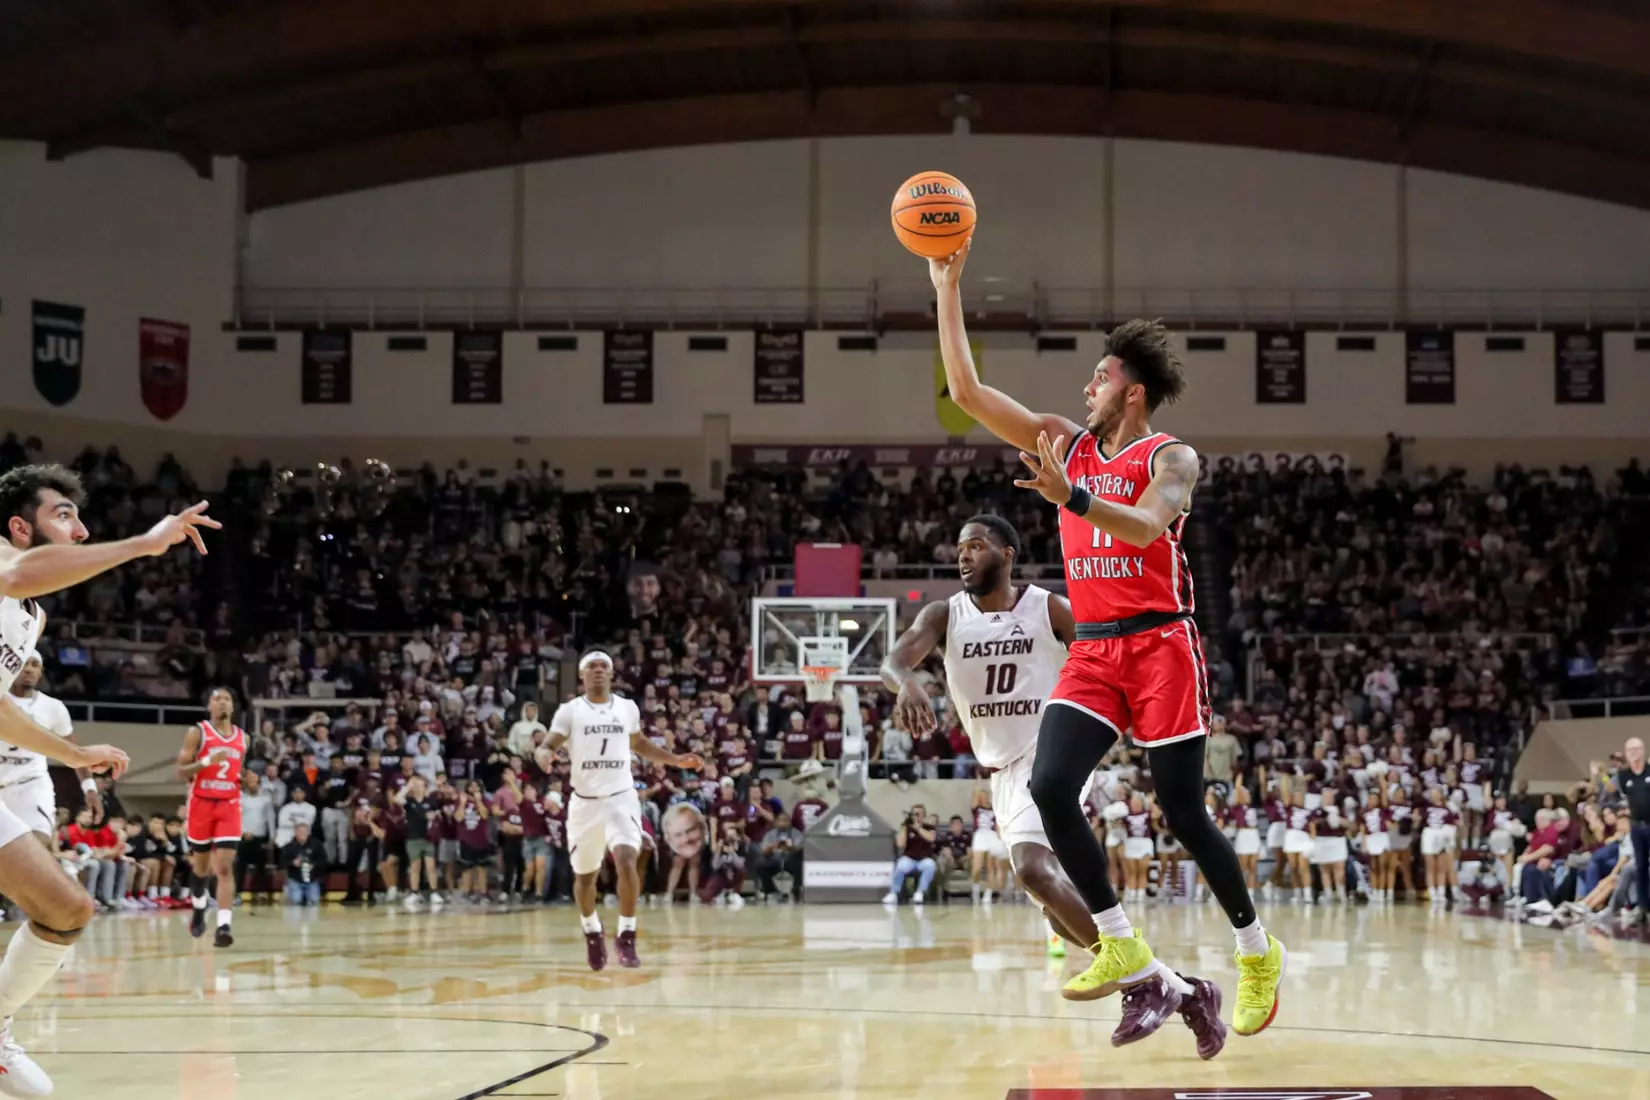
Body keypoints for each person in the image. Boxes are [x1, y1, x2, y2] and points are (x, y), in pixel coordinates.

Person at [932, 246, 1282, 1039]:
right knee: (1051, 787)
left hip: (1162, 646)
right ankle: (1122, 945)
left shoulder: (1171, 456)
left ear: (1136, 392)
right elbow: (967, 391)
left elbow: (1146, 525)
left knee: (1186, 813)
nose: (1087, 386)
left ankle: (1256, 949)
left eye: (1101, 376)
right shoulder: (1067, 442)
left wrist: (1074, 497)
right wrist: (946, 286)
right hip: (1095, 648)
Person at [881, 515, 1222, 1054]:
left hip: (1050, 753)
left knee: (1035, 871)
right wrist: (906, 682)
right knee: (1058, 917)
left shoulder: (1049, 607)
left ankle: (1145, 983)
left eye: (976, 546)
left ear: (1008, 553)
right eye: (959, 548)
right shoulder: (944, 615)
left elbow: (1111, 656)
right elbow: (895, 658)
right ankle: (1184, 990)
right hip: (999, 770)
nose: (964, 556)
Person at [0, 463, 213, 1092]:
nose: (81, 529)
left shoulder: (28, 616)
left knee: (67, 908)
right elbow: (19, 571)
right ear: (19, 526)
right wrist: (147, 543)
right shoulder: (5, 567)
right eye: (62, 515)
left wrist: (72, 754)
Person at [535, 650, 702, 970]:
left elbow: (639, 744)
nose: (598, 671)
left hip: (621, 797)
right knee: (585, 878)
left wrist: (676, 759)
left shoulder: (626, 708)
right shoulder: (569, 711)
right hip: (585, 804)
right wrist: (543, 754)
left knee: (627, 859)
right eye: (592, 667)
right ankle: (592, 932)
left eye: (604, 667)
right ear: (582, 676)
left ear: (611, 674)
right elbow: (550, 743)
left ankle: (627, 935)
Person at [175, 687, 247, 947]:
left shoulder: (243, 738)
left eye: (227, 698)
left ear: (233, 707)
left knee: (225, 866)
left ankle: (224, 926)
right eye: (217, 698)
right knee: (201, 867)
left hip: (229, 805)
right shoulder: (198, 732)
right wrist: (206, 762)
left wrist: (251, 781)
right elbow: (181, 772)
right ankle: (198, 907)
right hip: (201, 804)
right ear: (209, 706)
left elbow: (239, 773)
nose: (222, 702)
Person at [4, 655, 95, 845]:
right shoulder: (2, 701)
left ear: (41, 673)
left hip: (30, 784)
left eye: (34, 665)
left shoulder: (53, 707)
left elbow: (73, 752)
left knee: (38, 845)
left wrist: (90, 789)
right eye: (23, 664)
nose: (28, 669)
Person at [1610, 737, 1649, 926]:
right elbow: (1614, 792)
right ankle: (1642, 908)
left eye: (1636, 749)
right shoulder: (1624, 776)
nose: (1633, 753)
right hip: (1637, 827)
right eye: (1630, 750)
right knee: (1640, 868)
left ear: (1643, 750)